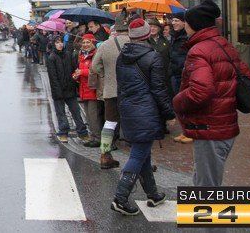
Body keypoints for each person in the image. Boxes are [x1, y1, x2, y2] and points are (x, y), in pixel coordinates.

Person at [173, 0, 250, 187]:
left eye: (186, 22)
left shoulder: (199, 50)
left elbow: (200, 92)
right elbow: (247, 77)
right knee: (207, 181)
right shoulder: (223, 44)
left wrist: (177, 101)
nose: (184, 26)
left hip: (209, 127)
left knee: (206, 187)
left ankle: (208, 207)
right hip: (225, 123)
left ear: (194, 25)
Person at [111, 18, 175, 216]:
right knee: (139, 154)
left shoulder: (122, 56)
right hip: (146, 110)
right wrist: (169, 113)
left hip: (128, 108)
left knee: (143, 153)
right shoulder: (153, 57)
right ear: (147, 35)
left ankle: (153, 194)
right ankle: (120, 198)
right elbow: (159, 89)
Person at [91, 16, 130, 169]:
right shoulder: (136, 43)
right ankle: (139, 159)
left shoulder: (105, 45)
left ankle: (105, 154)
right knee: (134, 123)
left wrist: (106, 75)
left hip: (111, 89)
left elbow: (95, 66)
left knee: (110, 123)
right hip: (132, 91)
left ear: (115, 28)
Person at [46, 37, 89, 143]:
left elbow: (74, 69)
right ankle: (63, 133)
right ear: (54, 44)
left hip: (70, 88)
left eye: (61, 42)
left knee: (76, 112)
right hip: (58, 90)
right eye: (57, 42)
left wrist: (74, 78)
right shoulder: (51, 58)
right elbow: (53, 77)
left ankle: (82, 132)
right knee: (61, 113)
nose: (60, 44)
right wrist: (57, 92)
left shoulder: (69, 55)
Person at [73, 33, 100, 146]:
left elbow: (97, 70)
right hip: (84, 89)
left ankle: (97, 138)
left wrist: (82, 72)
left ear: (93, 43)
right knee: (88, 116)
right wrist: (76, 75)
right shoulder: (81, 55)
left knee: (94, 116)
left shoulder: (96, 54)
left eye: (88, 42)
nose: (85, 44)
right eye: (83, 42)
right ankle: (92, 136)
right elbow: (81, 70)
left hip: (93, 89)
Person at [168, 12, 191, 144]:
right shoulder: (174, 36)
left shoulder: (186, 37)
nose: (174, 23)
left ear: (184, 22)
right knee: (179, 105)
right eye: (173, 20)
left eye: (177, 20)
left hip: (183, 75)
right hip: (175, 74)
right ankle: (185, 131)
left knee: (186, 105)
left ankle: (190, 131)